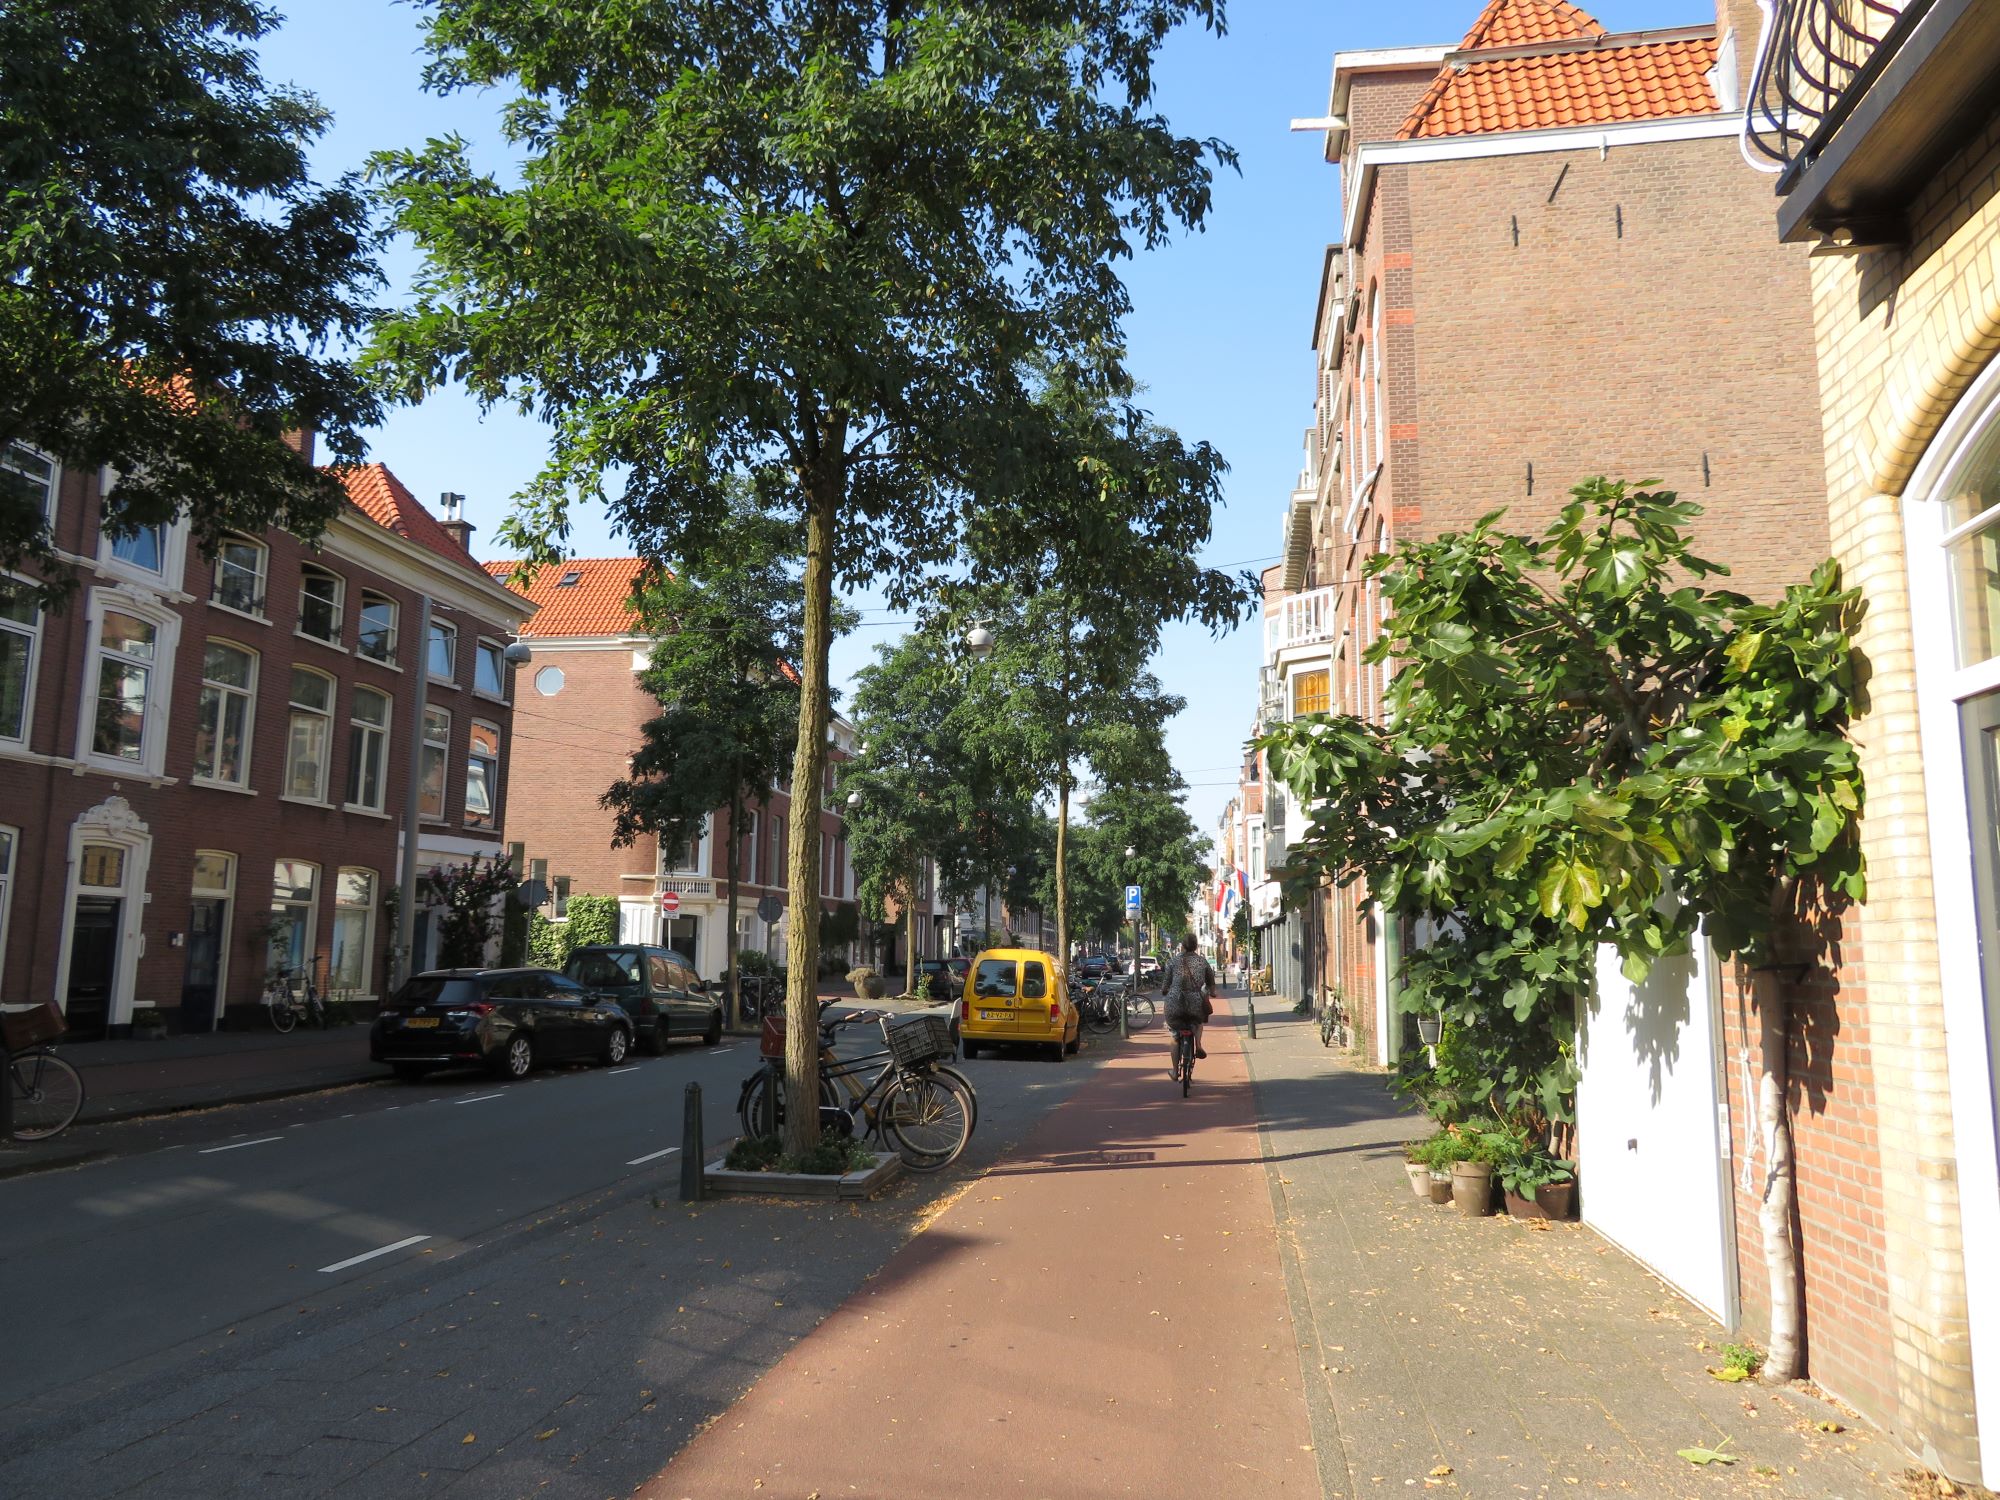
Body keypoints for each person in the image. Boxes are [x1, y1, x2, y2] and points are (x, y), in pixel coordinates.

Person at [1160, 932, 1216, 1066]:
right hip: (1195, 1004)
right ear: (1196, 946)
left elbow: (1165, 985)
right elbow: (1211, 983)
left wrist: (1166, 991)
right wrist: (1211, 992)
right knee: (1199, 1021)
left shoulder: (1172, 962)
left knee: (1174, 1037)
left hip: (1174, 1004)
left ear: (1182, 946)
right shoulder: (1202, 962)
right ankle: (1198, 1045)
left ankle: (1174, 1071)